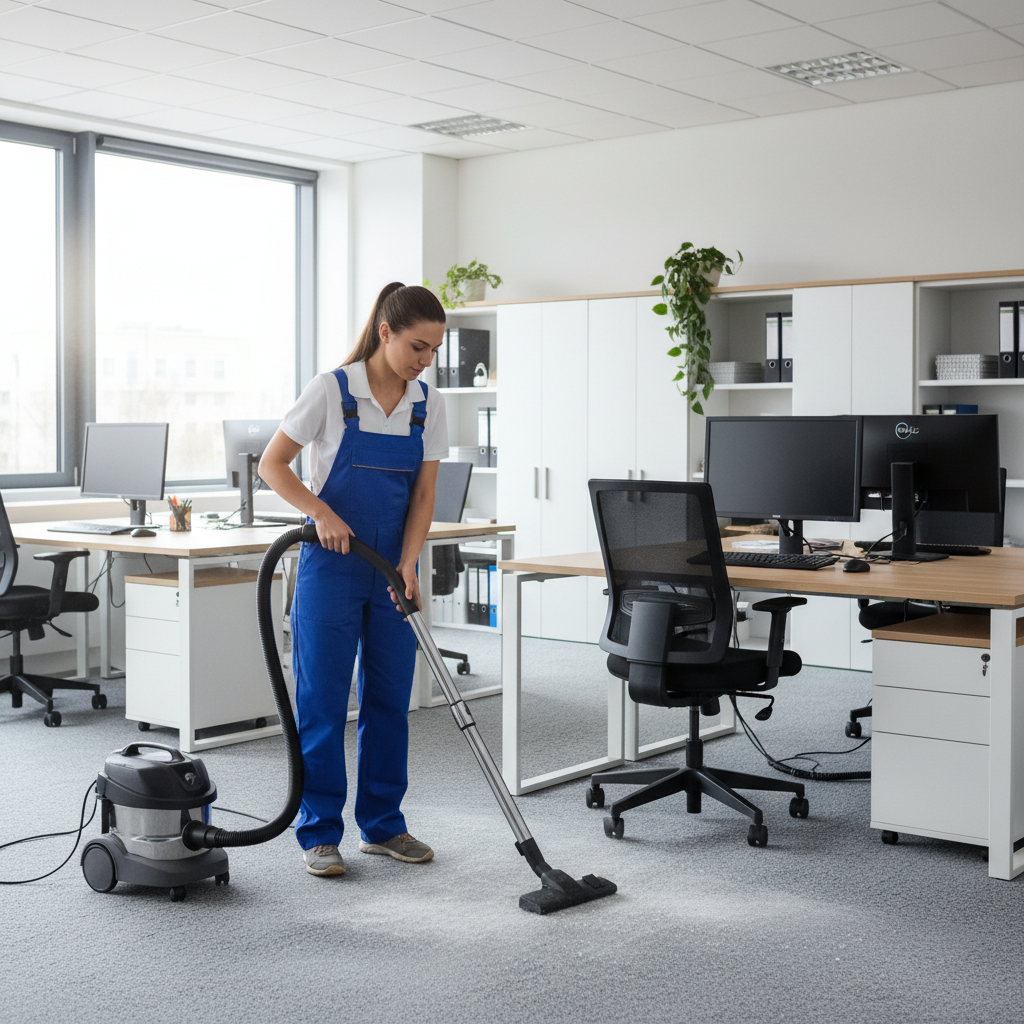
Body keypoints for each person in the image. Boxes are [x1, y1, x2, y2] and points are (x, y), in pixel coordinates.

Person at [259, 282, 448, 877]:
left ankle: (384, 826)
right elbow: (271, 464)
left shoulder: (428, 403)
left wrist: (411, 563)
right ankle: (319, 833)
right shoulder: (331, 391)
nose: (425, 361)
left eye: (434, 351)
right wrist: (321, 511)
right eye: (418, 346)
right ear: (386, 332)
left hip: (392, 569)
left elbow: (423, 494)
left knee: (390, 699)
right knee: (321, 702)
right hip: (331, 567)